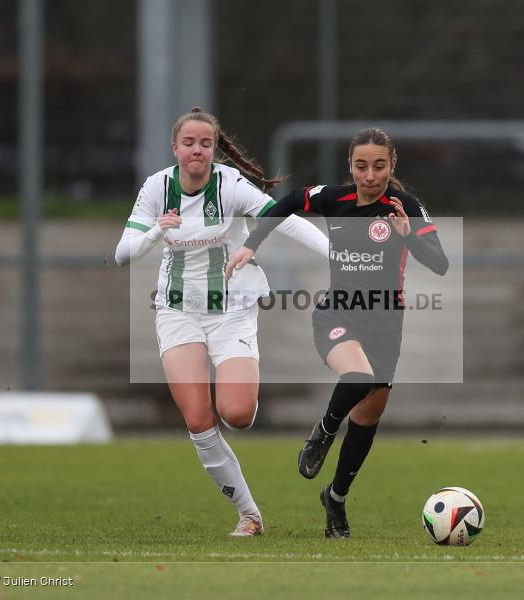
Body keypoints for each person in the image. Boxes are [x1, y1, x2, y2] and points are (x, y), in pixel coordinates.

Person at [225, 127, 449, 539]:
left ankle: (336, 499)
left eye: (378, 166)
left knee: (367, 420)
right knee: (358, 377)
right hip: (337, 313)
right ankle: (323, 432)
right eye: (361, 166)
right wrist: (251, 244)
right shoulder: (334, 198)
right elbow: (287, 203)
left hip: (386, 324)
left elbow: (440, 263)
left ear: (392, 165)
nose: (370, 175)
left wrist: (409, 238)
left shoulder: (406, 207)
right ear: (350, 165)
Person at [115, 108, 329, 536]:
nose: (197, 150)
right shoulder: (156, 187)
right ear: (175, 148)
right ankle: (249, 515)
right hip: (177, 310)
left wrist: (336, 255)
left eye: (205, 143)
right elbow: (123, 254)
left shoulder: (230, 184)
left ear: (214, 149)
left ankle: (242, 387)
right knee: (198, 419)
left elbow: (283, 220)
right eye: (189, 143)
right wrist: (156, 231)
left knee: (238, 413)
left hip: (231, 309)